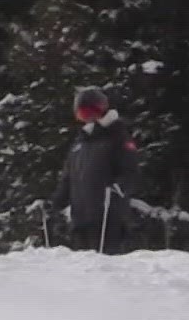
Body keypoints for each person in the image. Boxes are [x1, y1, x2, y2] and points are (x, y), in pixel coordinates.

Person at [50, 87, 140, 254]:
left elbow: (130, 170)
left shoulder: (117, 136)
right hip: (81, 219)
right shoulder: (79, 144)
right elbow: (68, 178)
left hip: (108, 218)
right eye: (83, 114)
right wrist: (55, 203)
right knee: (84, 267)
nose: (88, 117)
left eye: (92, 111)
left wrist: (119, 187)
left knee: (105, 266)